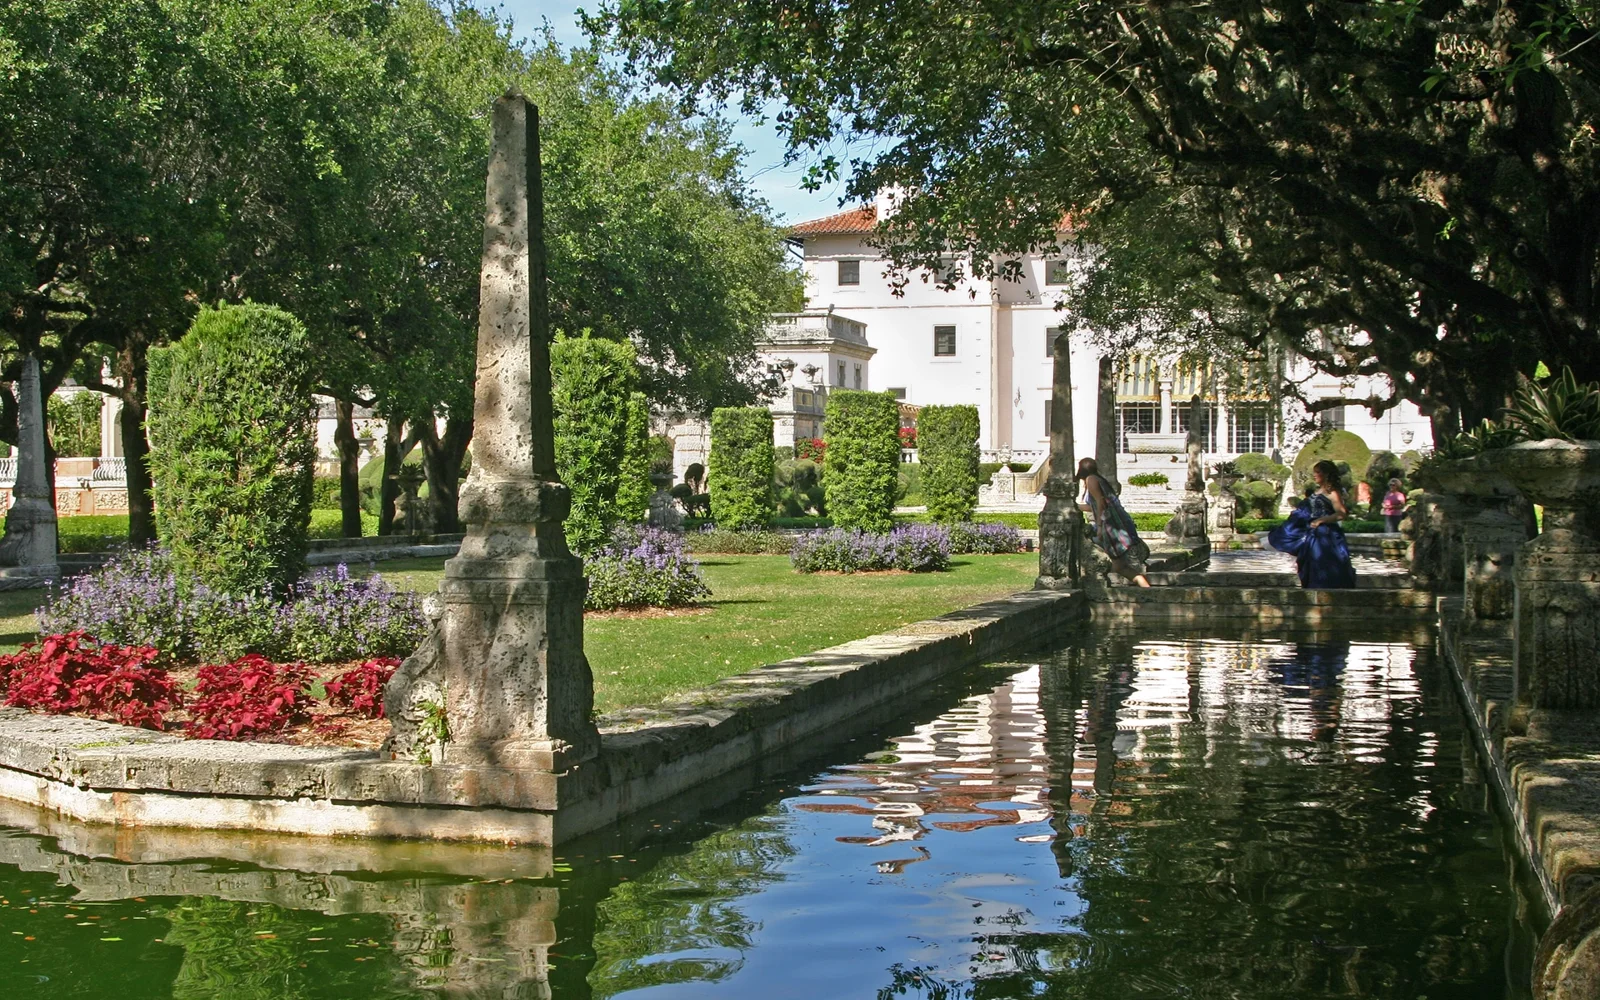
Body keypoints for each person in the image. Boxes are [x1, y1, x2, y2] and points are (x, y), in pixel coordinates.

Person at [1267, 460, 1356, 589]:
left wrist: (1321, 520)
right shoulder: (1318, 490)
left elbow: (1341, 514)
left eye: (1318, 472)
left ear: (1326, 474)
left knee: (1327, 563)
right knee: (1313, 561)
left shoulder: (1333, 492)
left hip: (1327, 535)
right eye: (1314, 472)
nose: (1314, 475)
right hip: (1314, 533)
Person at [1075, 457, 1152, 587]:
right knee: (1119, 567)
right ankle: (1146, 589)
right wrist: (1076, 506)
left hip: (1112, 525)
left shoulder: (1091, 479)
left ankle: (1148, 591)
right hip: (1116, 523)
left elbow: (1101, 502)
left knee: (1117, 562)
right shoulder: (1098, 479)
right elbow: (1094, 506)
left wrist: (1099, 526)